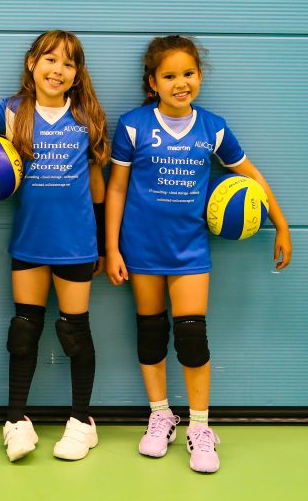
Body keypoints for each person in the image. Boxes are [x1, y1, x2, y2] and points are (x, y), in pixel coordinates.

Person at [105, 34, 292, 473]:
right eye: (169, 76)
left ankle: (201, 426)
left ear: (200, 76)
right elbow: (116, 189)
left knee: (191, 337)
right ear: (153, 82)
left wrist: (281, 224)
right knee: (151, 332)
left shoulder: (213, 128)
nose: (180, 83)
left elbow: (251, 175)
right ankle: (160, 416)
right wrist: (111, 247)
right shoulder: (133, 126)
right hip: (141, 248)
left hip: (189, 251)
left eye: (188, 73)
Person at [0, 30, 108, 462]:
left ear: (77, 75)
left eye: (68, 64)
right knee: (24, 331)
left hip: (76, 243)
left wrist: (102, 244)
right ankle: (16, 420)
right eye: (50, 59)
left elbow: (96, 182)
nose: (58, 70)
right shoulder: (13, 110)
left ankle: (81, 421)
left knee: (75, 332)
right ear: (32, 63)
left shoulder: (87, 115)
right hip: (30, 241)